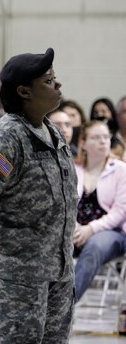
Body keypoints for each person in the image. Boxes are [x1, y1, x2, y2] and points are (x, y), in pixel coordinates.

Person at [0, 48, 78, 344]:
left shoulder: (52, 132)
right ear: (24, 91)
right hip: (16, 277)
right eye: (48, 81)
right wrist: (7, 247)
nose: (58, 85)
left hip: (57, 272)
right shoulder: (6, 140)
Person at [73, 120, 126, 302]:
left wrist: (91, 229)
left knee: (95, 245)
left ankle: (64, 307)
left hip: (112, 232)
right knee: (47, 244)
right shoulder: (73, 168)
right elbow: (63, 204)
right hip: (74, 230)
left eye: (106, 137)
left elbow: (120, 211)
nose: (103, 141)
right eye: (96, 137)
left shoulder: (120, 170)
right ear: (83, 143)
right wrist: (74, 227)